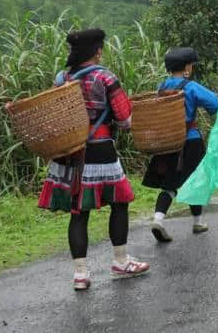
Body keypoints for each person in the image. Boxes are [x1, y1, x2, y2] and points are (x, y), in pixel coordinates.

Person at [36, 29, 150, 290]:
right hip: (100, 148)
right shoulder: (106, 77)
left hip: (69, 151)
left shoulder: (61, 78)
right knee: (119, 202)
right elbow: (125, 120)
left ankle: (80, 275)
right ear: (97, 50)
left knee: (78, 212)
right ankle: (121, 262)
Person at [142, 47, 218, 242]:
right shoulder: (190, 87)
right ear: (187, 67)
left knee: (170, 183)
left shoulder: (162, 88)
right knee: (196, 181)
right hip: (190, 142)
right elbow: (214, 103)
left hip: (168, 142)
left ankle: (159, 219)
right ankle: (197, 222)